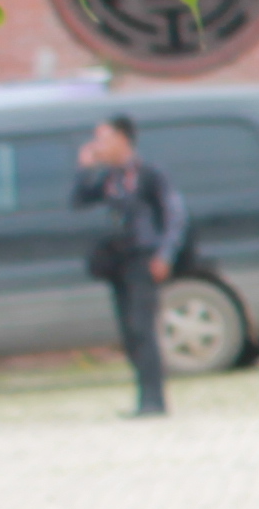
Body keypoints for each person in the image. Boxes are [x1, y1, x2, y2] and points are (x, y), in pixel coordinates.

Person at [72, 112, 189, 418]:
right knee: (128, 330)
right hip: (118, 260)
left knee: (143, 327)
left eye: (104, 139)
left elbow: (174, 215)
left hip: (144, 257)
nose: (98, 146)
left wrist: (165, 254)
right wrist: (84, 170)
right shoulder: (108, 178)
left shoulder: (148, 174)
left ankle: (154, 399)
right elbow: (79, 200)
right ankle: (143, 396)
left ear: (123, 139)